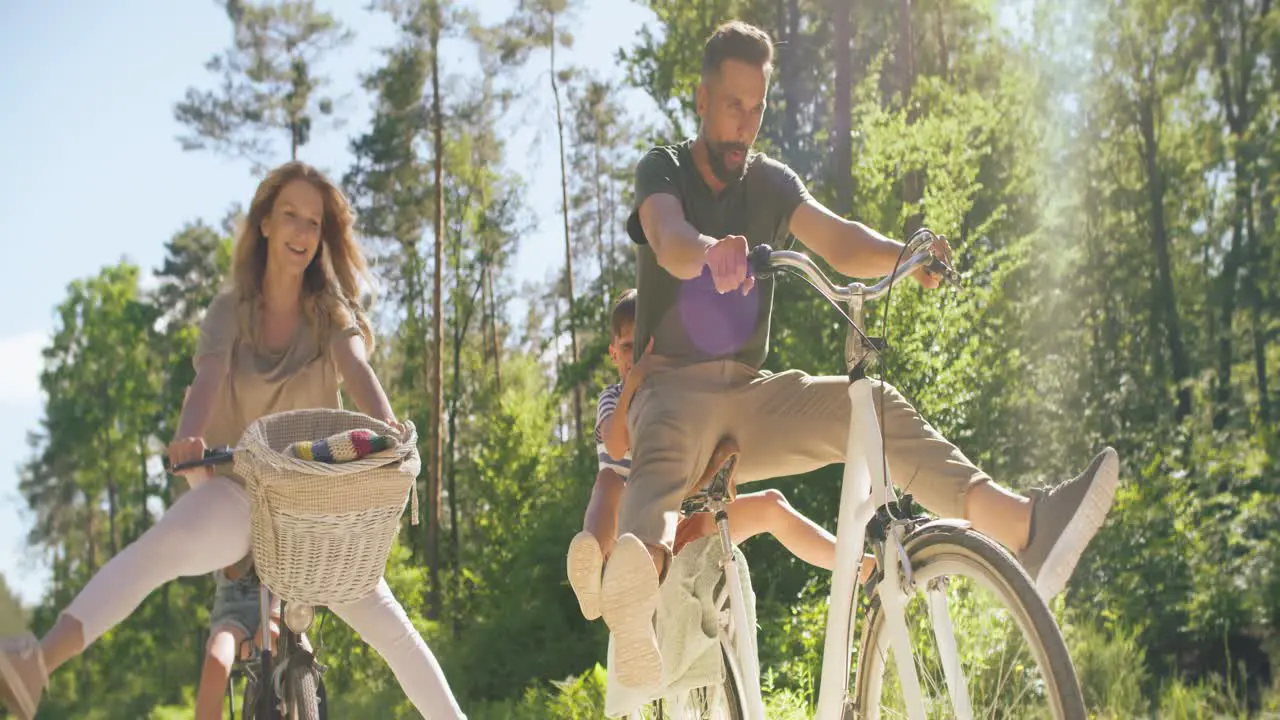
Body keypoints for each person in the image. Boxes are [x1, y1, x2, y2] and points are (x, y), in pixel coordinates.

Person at [600, 20, 1121, 689]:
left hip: (751, 398)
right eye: (732, 106)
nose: (744, 125)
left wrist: (906, 255)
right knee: (661, 473)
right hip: (670, 391)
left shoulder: (770, 182)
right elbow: (668, 238)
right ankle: (637, 602)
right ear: (701, 100)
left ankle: (1025, 528)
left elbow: (836, 239)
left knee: (869, 404)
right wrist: (711, 253)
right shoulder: (663, 169)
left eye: (757, 109)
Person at [0, 161, 468, 720]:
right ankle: (37, 662)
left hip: (315, 506)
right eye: (289, 215)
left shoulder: (330, 310)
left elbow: (358, 369)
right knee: (160, 549)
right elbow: (207, 379)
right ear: (265, 223)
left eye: (313, 222)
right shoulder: (230, 310)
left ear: (322, 237)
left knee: (394, 631)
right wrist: (188, 437)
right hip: (240, 487)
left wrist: (390, 431)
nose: (300, 231)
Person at [566, 289, 874, 622]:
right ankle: (592, 565)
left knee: (771, 504)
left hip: (682, 522)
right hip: (631, 530)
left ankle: (857, 565)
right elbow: (615, 446)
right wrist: (633, 385)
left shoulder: (678, 402)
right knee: (610, 480)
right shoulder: (613, 398)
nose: (635, 359)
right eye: (628, 348)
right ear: (614, 353)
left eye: (643, 350)